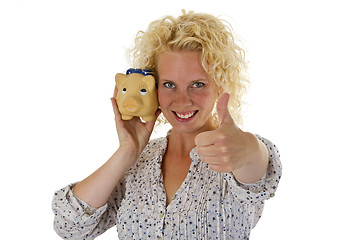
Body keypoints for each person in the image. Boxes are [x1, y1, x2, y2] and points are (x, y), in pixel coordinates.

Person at [52, 10, 282, 240]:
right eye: (169, 84)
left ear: (220, 85)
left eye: (198, 84)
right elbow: (70, 227)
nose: (182, 100)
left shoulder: (233, 153)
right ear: (154, 88)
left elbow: (259, 164)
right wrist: (127, 151)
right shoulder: (139, 162)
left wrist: (249, 149)